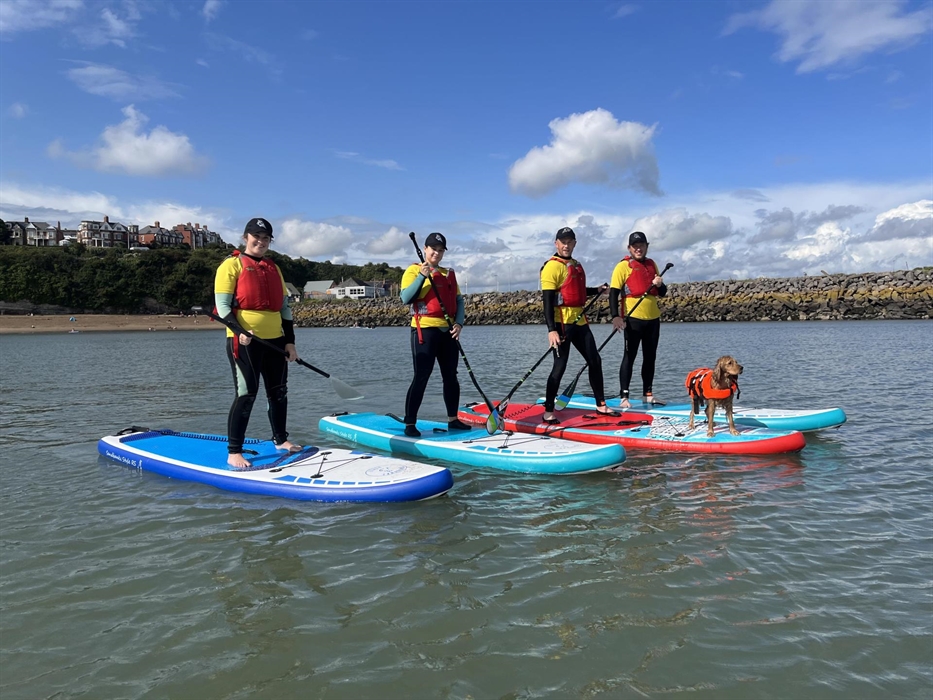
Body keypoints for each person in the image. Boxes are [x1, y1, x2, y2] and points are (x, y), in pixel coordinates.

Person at [214, 217, 301, 469]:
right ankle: (234, 451)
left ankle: (281, 440)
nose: (260, 242)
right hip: (244, 341)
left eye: (265, 238)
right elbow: (221, 307)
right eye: (256, 237)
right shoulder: (231, 266)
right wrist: (239, 330)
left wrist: (290, 343)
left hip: (275, 341)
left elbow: (284, 309)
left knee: (278, 392)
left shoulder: (274, 267)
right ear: (245, 238)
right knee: (246, 394)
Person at [540, 226, 617, 424]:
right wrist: (551, 330)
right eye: (562, 242)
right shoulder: (551, 267)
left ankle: (601, 404)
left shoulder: (575, 264)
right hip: (562, 324)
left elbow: (576, 291)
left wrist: (597, 290)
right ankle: (548, 410)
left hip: (580, 322)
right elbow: (548, 301)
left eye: (569, 241)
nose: (566, 245)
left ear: (575, 243)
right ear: (556, 243)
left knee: (595, 361)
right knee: (560, 366)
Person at [400, 232, 472, 438]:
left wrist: (459, 323)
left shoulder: (448, 273)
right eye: (434, 250)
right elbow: (405, 298)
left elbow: (458, 301)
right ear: (425, 249)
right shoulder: (414, 270)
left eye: (441, 251)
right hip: (424, 330)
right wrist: (422, 276)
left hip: (448, 331)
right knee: (421, 376)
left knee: (451, 376)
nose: (437, 254)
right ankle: (410, 422)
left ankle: (453, 419)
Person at [609, 231, 667, 408]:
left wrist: (660, 284)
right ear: (629, 248)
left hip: (653, 319)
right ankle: (624, 396)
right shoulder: (622, 267)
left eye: (641, 245)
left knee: (650, 357)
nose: (638, 249)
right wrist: (616, 317)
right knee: (630, 356)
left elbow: (662, 293)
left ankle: (648, 394)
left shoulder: (652, 265)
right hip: (633, 319)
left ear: (646, 246)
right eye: (635, 246)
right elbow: (613, 294)